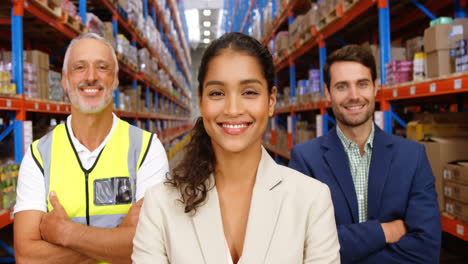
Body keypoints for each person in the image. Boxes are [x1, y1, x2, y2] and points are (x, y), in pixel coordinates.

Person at [132, 32, 340, 264]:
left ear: (270, 101)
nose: (232, 109)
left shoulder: (312, 200)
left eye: (249, 92)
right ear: (201, 101)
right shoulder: (159, 203)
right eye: (217, 93)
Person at [14, 33, 169, 264]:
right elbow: (27, 257)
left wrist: (65, 233)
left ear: (115, 80)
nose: (91, 77)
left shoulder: (146, 149)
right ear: (65, 80)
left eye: (102, 67)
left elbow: (154, 244)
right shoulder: (38, 156)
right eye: (79, 67)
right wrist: (118, 240)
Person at [289, 45, 441, 263]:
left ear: (375, 87)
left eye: (362, 84)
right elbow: (303, 247)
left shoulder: (412, 156)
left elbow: (426, 249)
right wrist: (383, 232)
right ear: (327, 92)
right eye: (342, 86)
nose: (354, 96)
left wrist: (344, 248)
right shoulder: (306, 160)